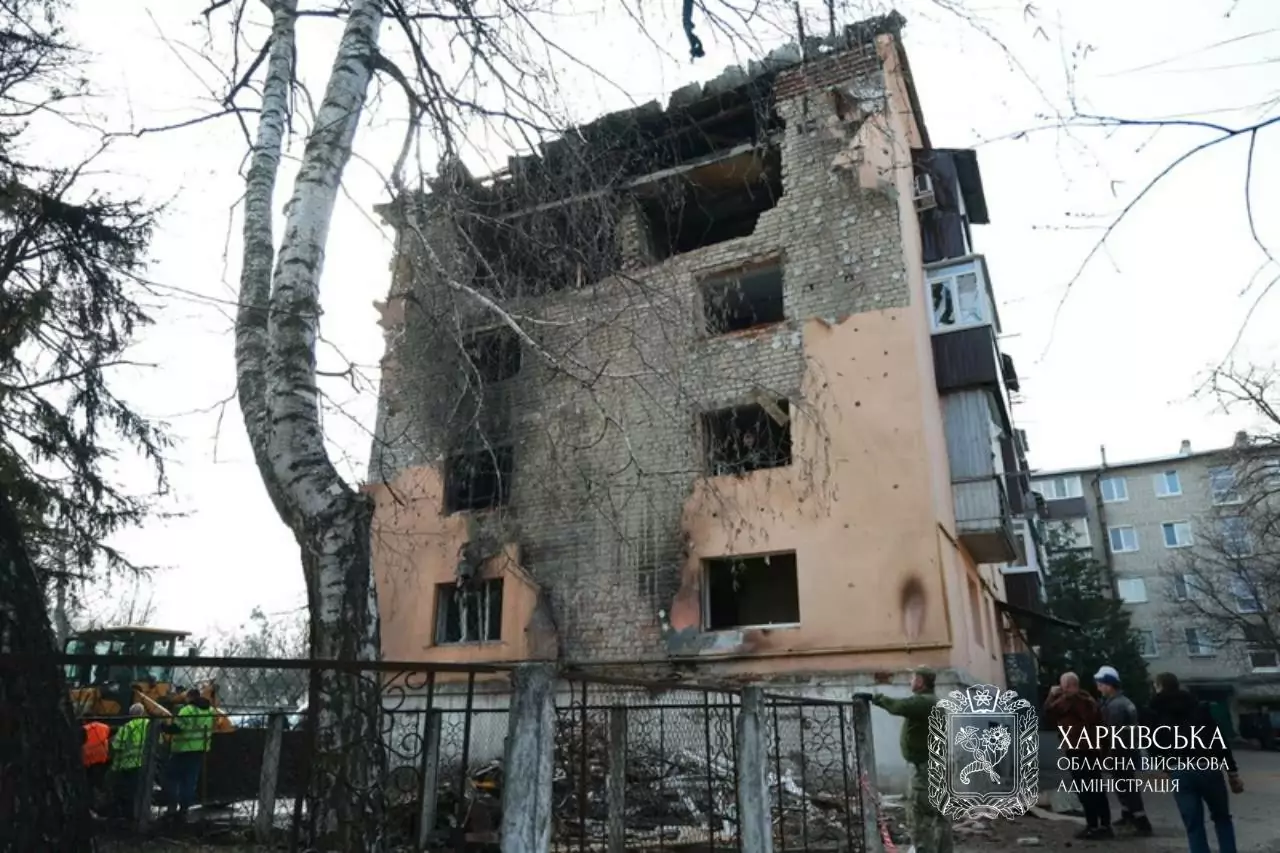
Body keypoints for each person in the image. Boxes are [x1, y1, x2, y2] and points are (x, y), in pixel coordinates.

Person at [854, 667, 953, 853]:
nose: (910, 681)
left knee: (920, 818)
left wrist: (875, 698)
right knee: (940, 816)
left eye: (913, 678)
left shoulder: (924, 702)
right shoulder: (934, 701)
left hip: (925, 769)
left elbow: (898, 707)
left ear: (921, 682)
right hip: (936, 765)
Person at [1147, 672, 1243, 853]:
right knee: (1222, 818)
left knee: (1193, 824)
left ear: (1158, 687)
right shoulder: (1198, 708)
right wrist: (1232, 771)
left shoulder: (1155, 713)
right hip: (1207, 766)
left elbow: (1153, 745)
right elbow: (1218, 740)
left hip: (1180, 770)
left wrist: (1163, 767)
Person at [1042, 671, 1111, 839]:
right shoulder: (1089, 700)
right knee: (1096, 787)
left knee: (1085, 789)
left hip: (1078, 749)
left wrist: (1051, 695)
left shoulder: (1069, 701)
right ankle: (1104, 825)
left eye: (1063, 685)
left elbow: (1048, 712)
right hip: (1091, 749)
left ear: (1066, 685)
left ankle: (1093, 825)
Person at [1093, 665, 1151, 835]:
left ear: (1109, 685)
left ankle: (1141, 822)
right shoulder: (1123, 702)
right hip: (1128, 751)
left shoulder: (1115, 706)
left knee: (1126, 787)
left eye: (1100, 684)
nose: (1098, 687)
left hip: (1120, 753)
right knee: (1124, 786)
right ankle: (1128, 815)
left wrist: (1109, 755)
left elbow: (1114, 733)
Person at [163, 689, 214, 817]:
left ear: (189, 698)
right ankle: (184, 809)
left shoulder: (187, 710)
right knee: (189, 780)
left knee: (171, 777)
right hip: (199, 750)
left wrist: (163, 727)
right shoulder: (209, 711)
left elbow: (177, 728)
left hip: (182, 749)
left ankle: (171, 807)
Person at [111, 704, 150, 820]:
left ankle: (128, 816)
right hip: (145, 763)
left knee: (127, 792)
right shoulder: (149, 724)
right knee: (142, 791)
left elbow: (117, 745)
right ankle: (141, 814)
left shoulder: (128, 727)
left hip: (128, 764)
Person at [82, 718, 111, 815]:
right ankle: (103, 807)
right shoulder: (104, 727)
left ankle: (93, 807)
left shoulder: (84, 728)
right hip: (102, 759)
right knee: (101, 784)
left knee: (91, 785)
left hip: (89, 761)